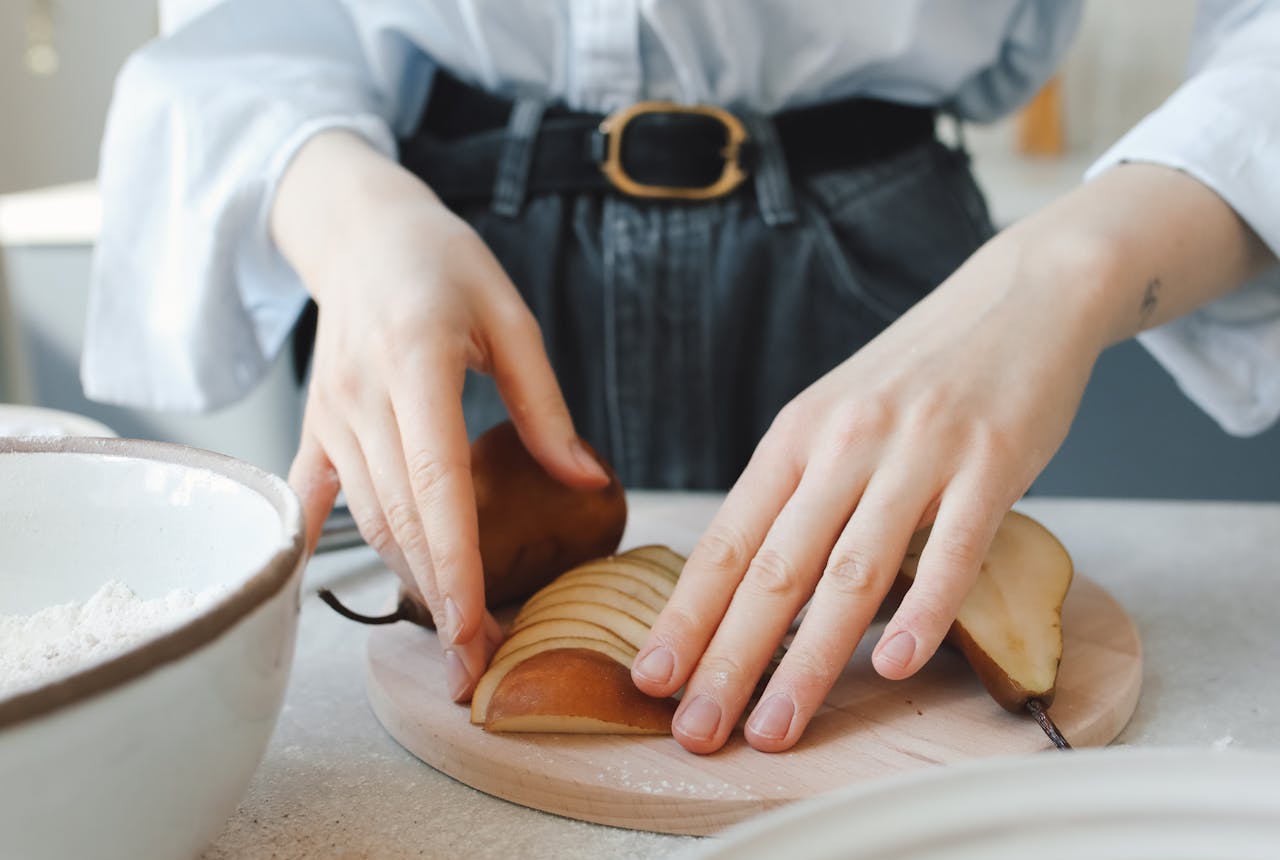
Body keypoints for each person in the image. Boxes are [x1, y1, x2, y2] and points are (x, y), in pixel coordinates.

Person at [84, 1, 1280, 755]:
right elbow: (230, 43)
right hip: (435, 257)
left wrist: (1068, 269)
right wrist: (337, 208)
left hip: (894, 277)